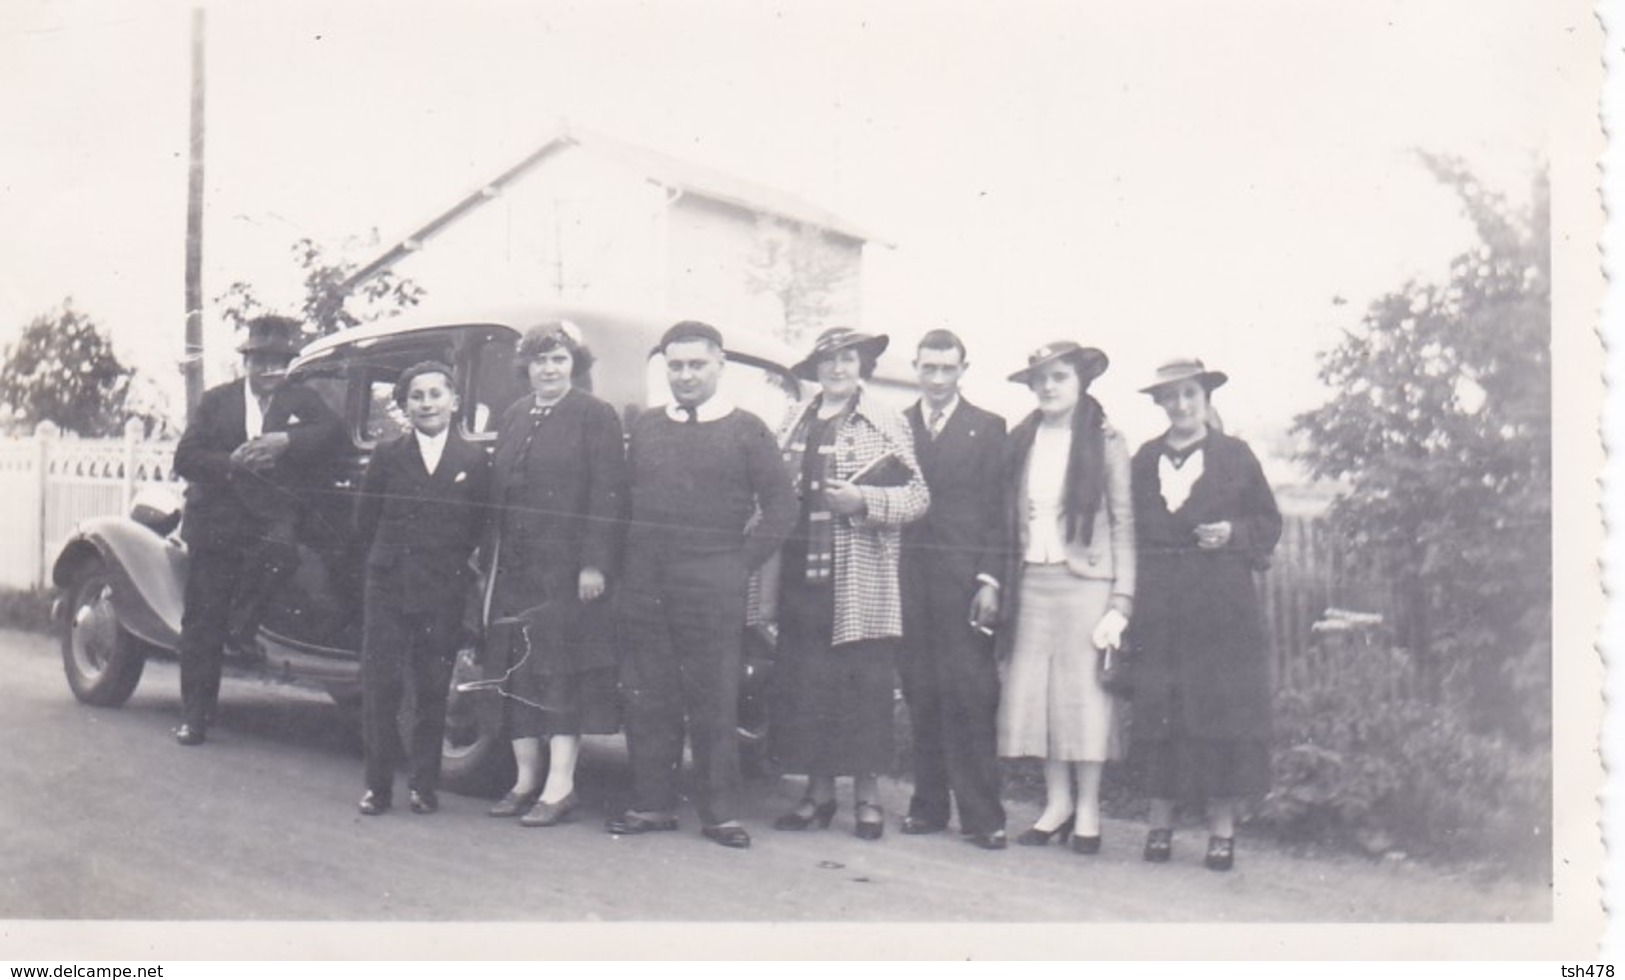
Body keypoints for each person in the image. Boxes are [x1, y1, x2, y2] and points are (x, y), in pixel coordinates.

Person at [609, 320, 797, 850]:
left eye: (696, 364)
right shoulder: (646, 427)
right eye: (675, 365)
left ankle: (719, 813)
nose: (686, 375)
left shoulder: (747, 429)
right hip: (646, 581)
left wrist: (740, 564)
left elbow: (782, 507)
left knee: (714, 697)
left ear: (719, 366)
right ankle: (651, 804)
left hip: (713, 581)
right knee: (648, 695)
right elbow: (624, 504)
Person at [768, 327, 929, 841]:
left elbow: (918, 496)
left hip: (859, 578)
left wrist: (864, 503)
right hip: (799, 574)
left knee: (862, 689)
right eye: (828, 360)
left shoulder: (883, 420)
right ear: (815, 368)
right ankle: (817, 796)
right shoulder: (795, 419)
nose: (837, 369)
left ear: (863, 365)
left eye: (848, 359)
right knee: (807, 685)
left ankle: (867, 798)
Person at [1127, 357, 1281, 872]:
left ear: (1206, 397)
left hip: (1220, 610)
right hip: (1159, 609)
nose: (1181, 405)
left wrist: (1233, 535)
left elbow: (1268, 522)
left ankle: (1221, 831)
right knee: (1161, 715)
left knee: (1220, 717)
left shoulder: (1235, 456)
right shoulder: (1144, 459)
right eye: (1170, 397)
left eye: (1189, 393)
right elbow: (1127, 531)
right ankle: (1159, 826)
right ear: (1160, 404)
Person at [171, 315, 343, 746]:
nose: (270, 370)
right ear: (247, 361)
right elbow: (186, 457)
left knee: (282, 551)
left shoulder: (302, 400)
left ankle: (242, 627)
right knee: (202, 618)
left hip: (269, 517)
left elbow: (332, 432)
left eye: (279, 362)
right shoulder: (217, 402)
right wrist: (232, 462)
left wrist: (286, 441)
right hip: (217, 517)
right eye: (261, 361)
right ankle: (195, 716)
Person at [483, 322, 627, 827]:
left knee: (561, 671)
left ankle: (560, 785)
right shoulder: (516, 415)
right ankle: (524, 781)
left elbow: (608, 493)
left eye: (559, 359)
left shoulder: (595, 415)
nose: (549, 369)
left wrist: (594, 563)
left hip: (567, 571)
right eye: (540, 360)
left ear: (575, 365)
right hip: (517, 568)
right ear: (527, 366)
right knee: (519, 670)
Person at [994, 341, 1134, 856]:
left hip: (1087, 582)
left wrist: (1122, 599)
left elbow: (1124, 521)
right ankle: (1057, 804)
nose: (1049, 387)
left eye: (1059, 377)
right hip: (1032, 579)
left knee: (1085, 699)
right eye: (1040, 379)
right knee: (1042, 698)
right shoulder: (1021, 440)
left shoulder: (1106, 440)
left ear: (1081, 383)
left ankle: (1089, 808)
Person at [353, 362, 492, 816]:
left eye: (436, 394)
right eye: (417, 396)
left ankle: (423, 786)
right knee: (383, 686)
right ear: (405, 405)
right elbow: (365, 523)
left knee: (434, 688)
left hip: (442, 589)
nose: (427, 404)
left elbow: (479, 526)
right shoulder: (388, 454)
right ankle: (377, 786)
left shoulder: (473, 461)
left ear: (453, 401)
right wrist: (383, 568)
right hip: (390, 585)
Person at [896, 329, 1010, 849]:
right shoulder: (896, 426)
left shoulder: (988, 428)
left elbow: (999, 513)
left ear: (964, 369)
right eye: (929, 368)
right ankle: (928, 807)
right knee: (922, 692)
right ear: (915, 368)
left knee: (971, 694)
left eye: (947, 369)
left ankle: (983, 816)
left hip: (965, 582)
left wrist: (990, 580)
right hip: (910, 579)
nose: (938, 379)